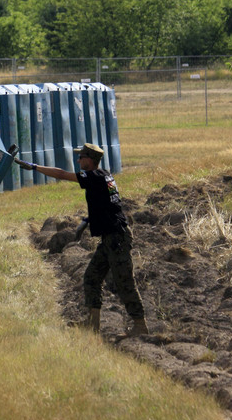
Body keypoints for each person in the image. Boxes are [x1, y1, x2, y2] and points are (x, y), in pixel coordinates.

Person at [16, 143, 148, 337]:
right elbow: (108, 204)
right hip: (110, 238)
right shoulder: (105, 176)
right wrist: (86, 221)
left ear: (90, 159)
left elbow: (61, 174)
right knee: (92, 277)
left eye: (81, 157)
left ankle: (140, 325)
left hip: (117, 238)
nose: (78, 161)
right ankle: (92, 324)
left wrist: (34, 167)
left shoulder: (94, 176)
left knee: (124, 281)